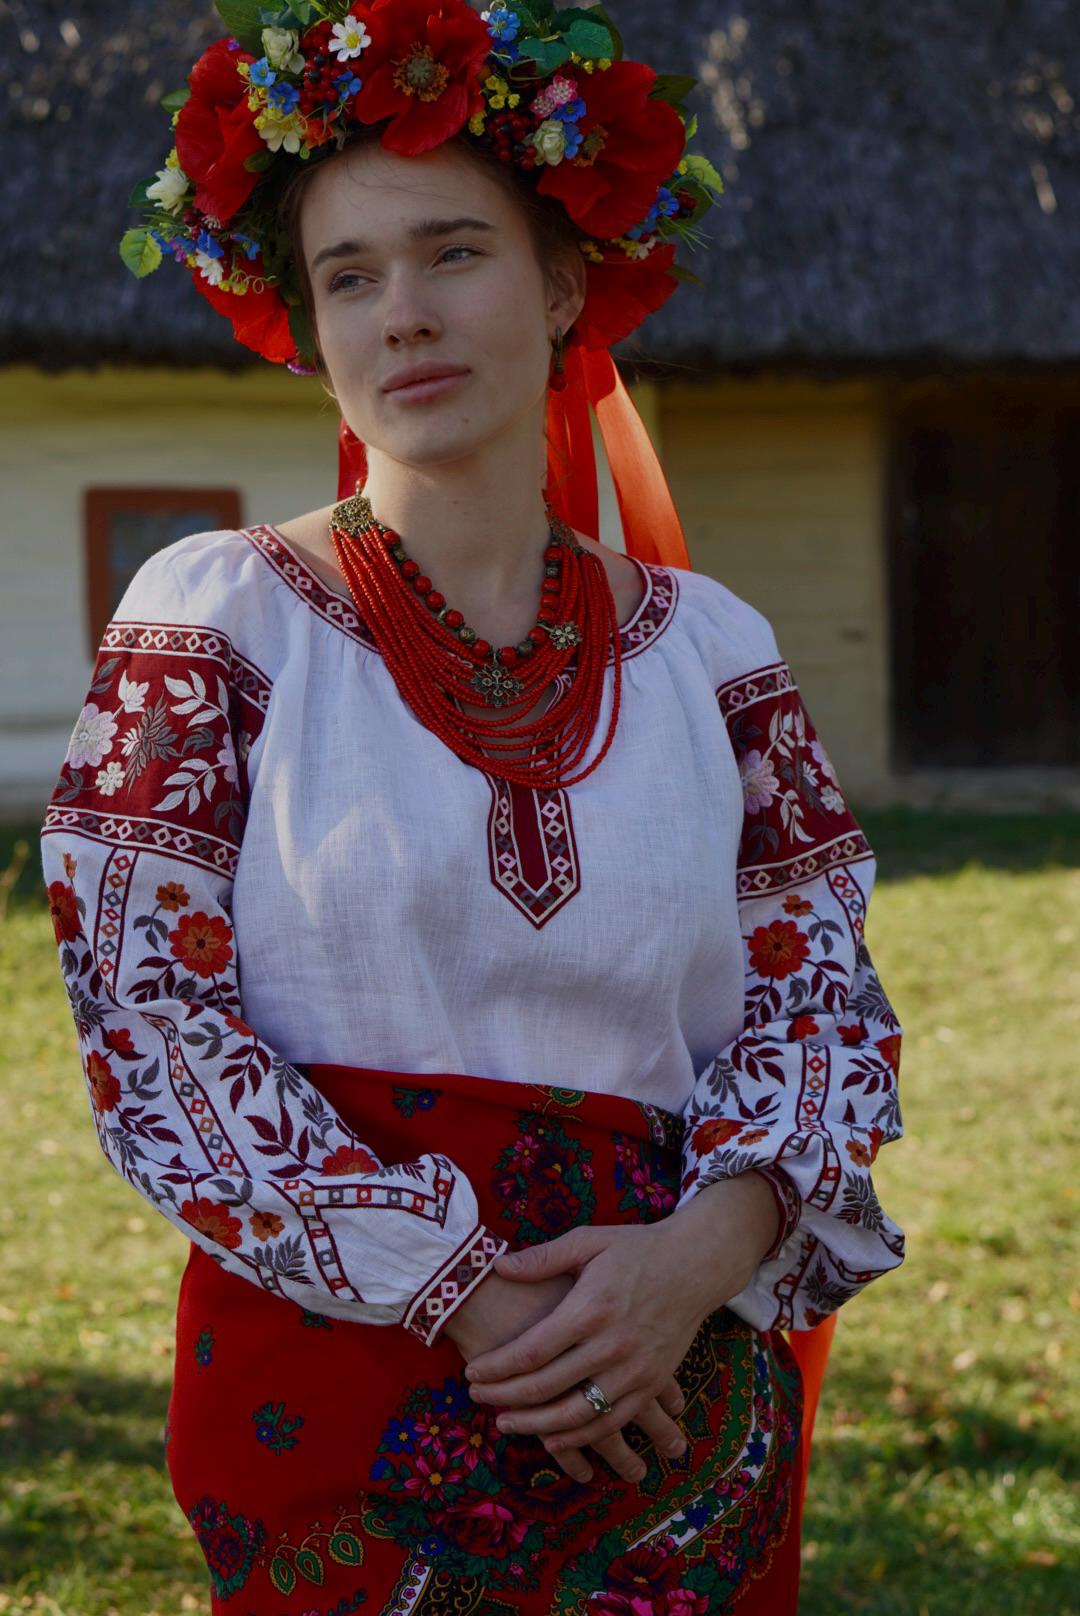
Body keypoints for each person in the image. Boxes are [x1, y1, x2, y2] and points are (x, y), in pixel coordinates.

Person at [42, 4, 906, 1610]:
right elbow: (145, 1012)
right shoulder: (218, 619)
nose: (403, 318)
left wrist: (699, 1262)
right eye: (350, 276)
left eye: (454, 254)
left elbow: (825, 1008)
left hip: (673, 1375)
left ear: (567, 282)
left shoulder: (714, 652)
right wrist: (457, 1292)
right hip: (338, 1353)